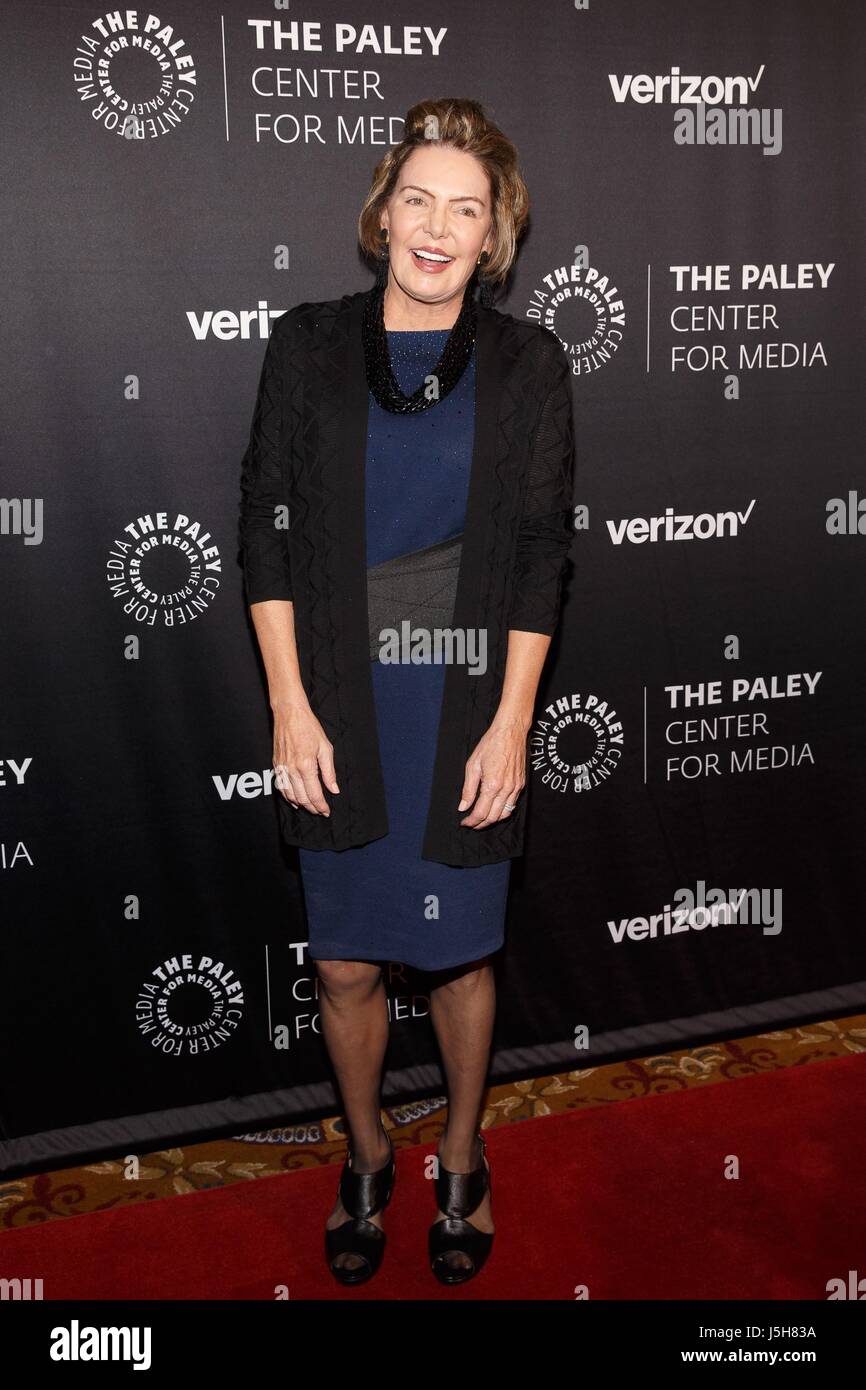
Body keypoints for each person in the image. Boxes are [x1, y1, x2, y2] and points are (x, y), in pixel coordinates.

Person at [238, 97, 575, 1287]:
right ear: (383, 217)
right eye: (418, 200)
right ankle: (369, 1155)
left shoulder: (531, 364)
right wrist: (287, 704)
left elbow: (539, 552)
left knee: (458, 963)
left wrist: (513, 723)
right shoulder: (306, 344)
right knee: (342, 965)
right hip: (334, 701)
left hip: (461, 708)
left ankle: (465, 1157)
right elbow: (265, 536)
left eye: (466, 208)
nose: (438, 226)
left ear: (494, 236)